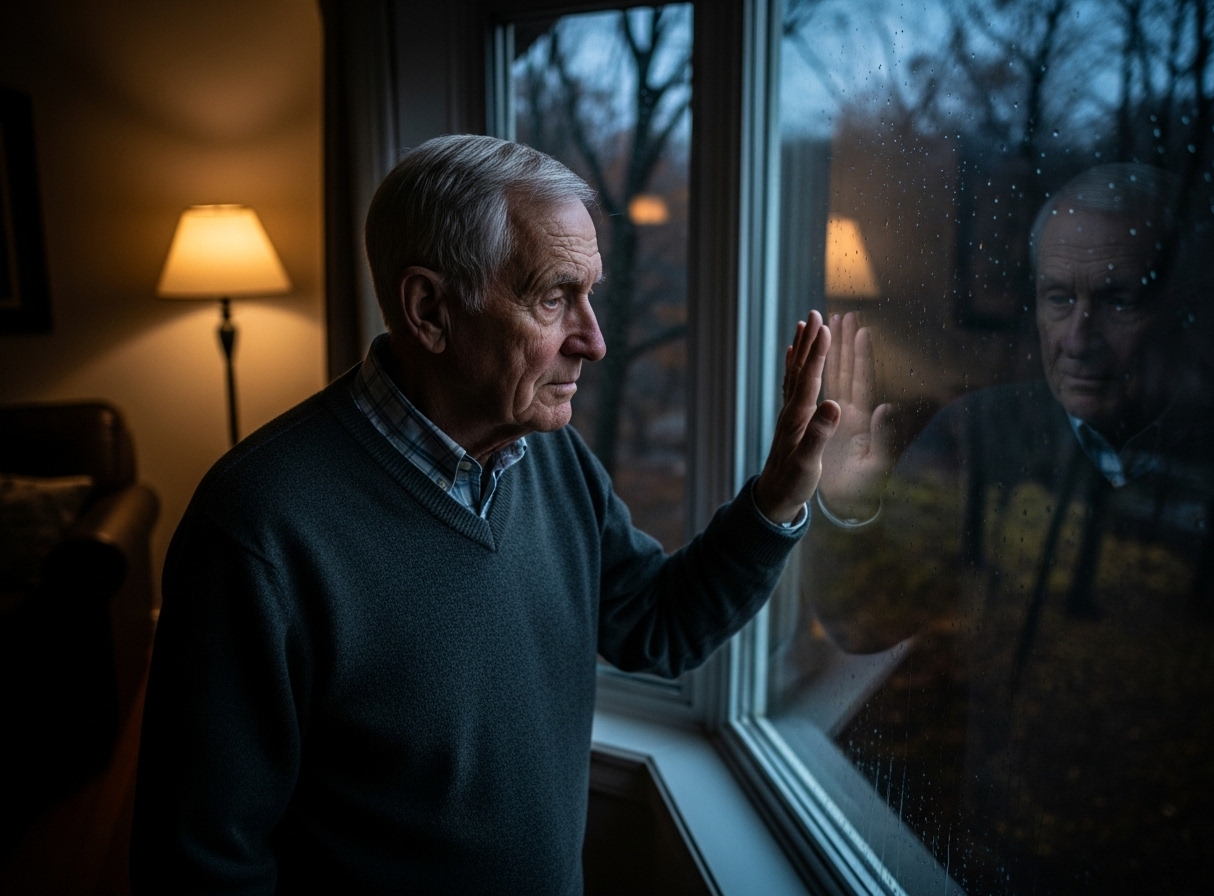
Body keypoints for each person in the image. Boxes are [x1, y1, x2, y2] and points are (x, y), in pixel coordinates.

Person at [131, 135, 842, 894]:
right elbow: (202, 866)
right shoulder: (255, 530)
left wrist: (776, 498)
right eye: (552, 298)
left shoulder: (552, 458)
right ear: (430, 310)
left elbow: (658, 624)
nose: (595, 341)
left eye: (591, 294)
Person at [805, 163, 1214, 894]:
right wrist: (848, 505)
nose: (1079, 337)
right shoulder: (980, 435)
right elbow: (867, 622)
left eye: (1117, 301)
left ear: (1174, 304)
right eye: (1060, 299)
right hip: (1003, 855)